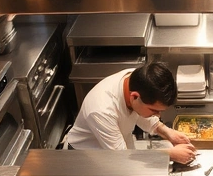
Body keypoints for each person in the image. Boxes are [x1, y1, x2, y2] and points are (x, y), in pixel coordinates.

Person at [65, 62, 198, 164]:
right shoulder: (101, 110)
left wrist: (168, 133)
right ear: (134, 96)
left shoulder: (135, 79)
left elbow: (140, 110)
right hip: (87, 156)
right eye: (154, 110)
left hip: (118, 148)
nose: (158, 115)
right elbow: (122, 157)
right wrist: (169, 154)